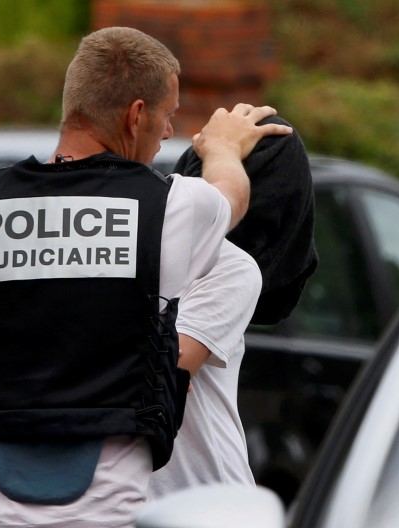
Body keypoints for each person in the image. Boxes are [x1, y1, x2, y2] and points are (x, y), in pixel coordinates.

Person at [0, 26, 291, 527]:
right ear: (135, 115)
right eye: (167, 117)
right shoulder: (165, 207)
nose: (168, 133)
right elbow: (231, 198)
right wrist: (221, 149)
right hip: (103, 509)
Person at [147, 117, 317, 500]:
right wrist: (224, 153)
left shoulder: (133, 242)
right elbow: (160, 373)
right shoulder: (232, 268)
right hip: (201, 501)